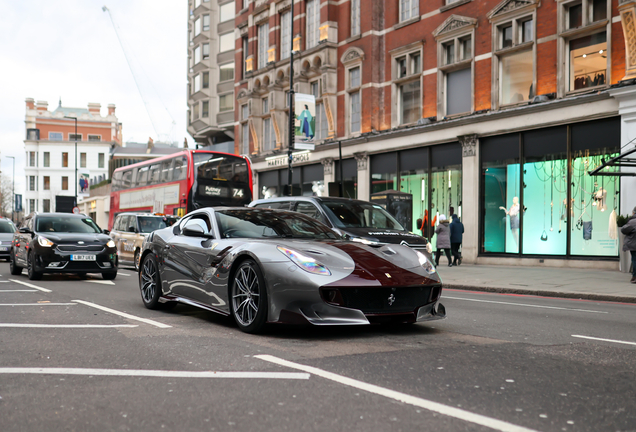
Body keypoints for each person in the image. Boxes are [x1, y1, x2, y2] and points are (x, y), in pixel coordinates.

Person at [621, 206, 636, 284]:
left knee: (635, 260)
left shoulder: (632, 222)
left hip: (633, 245)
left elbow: (623, 229)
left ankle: (635, 277)